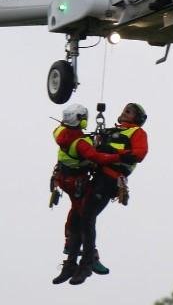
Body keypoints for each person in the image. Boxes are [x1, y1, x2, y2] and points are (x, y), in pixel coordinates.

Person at [50, 103, 136, 286]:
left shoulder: (59, 132)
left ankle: (73, 262)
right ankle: (86, 261)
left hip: (65, 181)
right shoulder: (81, 143)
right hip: (76, 183)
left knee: (78, 219)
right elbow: (97, 157)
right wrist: (118, 156)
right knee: (84, 220)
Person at [70, 103, 149, 285]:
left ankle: (87, 263)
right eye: (124, 109)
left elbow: (140, 153)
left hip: (110, 180)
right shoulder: (109, 131)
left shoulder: (137, 133)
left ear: (137, 118)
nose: (123, 112)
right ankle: (72, 262)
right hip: (97, 177)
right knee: (78, 216)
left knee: (87, 216)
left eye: (128, 112)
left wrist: (115, 153)